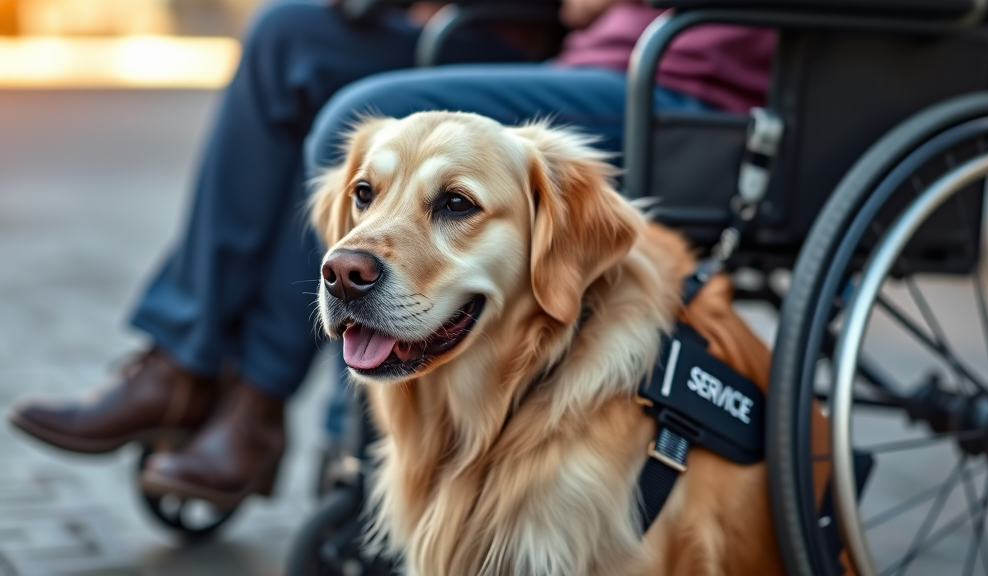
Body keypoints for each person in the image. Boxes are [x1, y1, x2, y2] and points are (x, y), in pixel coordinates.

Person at [7, 0, 774, 507]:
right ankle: (182, 361)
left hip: (683, 84)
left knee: (352, 115)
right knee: (289, 35)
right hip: (571, 50)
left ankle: (255, 401)